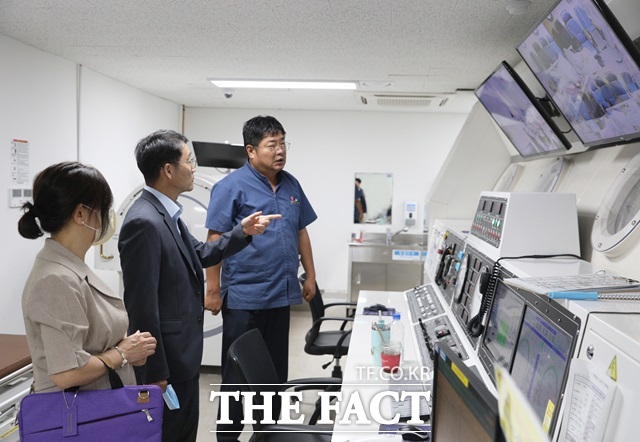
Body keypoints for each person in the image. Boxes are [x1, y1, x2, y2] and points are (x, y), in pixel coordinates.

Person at [118, 129, 279, 442]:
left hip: (184, 352)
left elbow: (202, 254)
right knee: (171, 433)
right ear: (168, 170)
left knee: (185, 430)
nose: (193, 168)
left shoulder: (169, 215)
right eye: (188, 161)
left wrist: (242, 232)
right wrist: (155, 371)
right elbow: (142, 304)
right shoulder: (143, 221)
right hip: (168, 360)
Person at [204, 115, 318, 441]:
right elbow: (215, 238)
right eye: (272, 144)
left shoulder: (291, 184)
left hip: (280, 296)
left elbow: (301, 231)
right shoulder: (231, 187)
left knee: (272, 375)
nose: (280, 150)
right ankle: (228, 437)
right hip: (244, 298)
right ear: (251, 150)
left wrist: (310, 275)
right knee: (238, 374)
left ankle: (267, 433)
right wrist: (213, 289)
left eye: (283, 143)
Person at [19, 161, 157, 394]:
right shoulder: (56, 279)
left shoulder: (70, 266)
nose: (106, 218)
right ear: (81, 214)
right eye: (102, 209)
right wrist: (123, 353)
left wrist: (129, 350)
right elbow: (67, 372)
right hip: (77, 421)